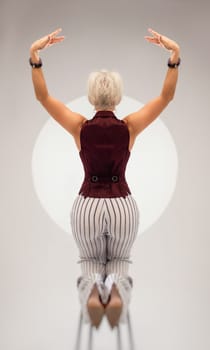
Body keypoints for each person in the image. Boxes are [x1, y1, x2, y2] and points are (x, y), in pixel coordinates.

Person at [29, 27, 180, 329]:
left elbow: (43, 97)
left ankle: (91, 296)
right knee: (120, 262)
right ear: (118, 95)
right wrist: (174, 57)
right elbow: (165, 97)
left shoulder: (79, 127)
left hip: (87, 204)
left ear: (91, 95)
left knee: (89, 263)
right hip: (122, 204)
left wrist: (35, 57)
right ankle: (118, 293)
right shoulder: (130, 126)